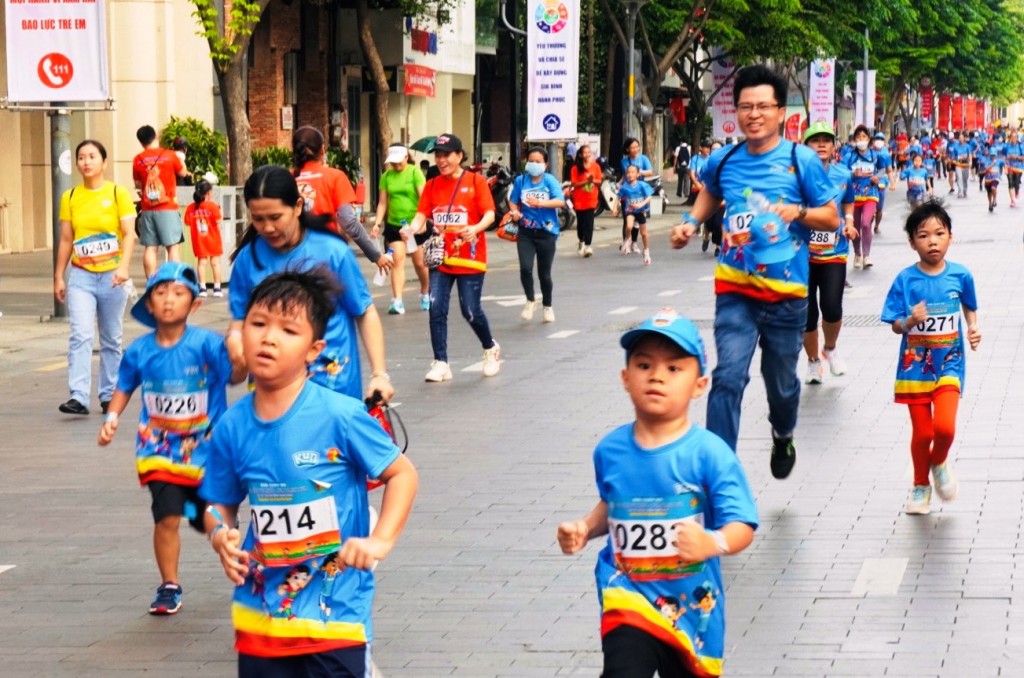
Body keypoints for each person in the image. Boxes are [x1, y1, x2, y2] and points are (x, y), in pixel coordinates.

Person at [201, 267, 418, 676]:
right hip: (260, 621)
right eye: (258, 324)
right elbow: (219, 501)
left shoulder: (341, 415)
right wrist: (219, 536)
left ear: (314, 350)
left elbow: (402, 474)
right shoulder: (232, 425)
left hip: (334, 617)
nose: (268, 337)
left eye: (288, 330)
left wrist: (380, 541)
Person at [556, 309, 757, 677]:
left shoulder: (710, 453)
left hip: (693, 609)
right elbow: (614, 504)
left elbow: (742, 524)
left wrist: (713, 543)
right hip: (627, 595)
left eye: (673, 368)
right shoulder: (610, 450)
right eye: (644, 365)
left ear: (699, 384)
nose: (656, 377)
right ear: (625, 378)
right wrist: (585, 527)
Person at [669, 64, 839, 478]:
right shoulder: (723, 158)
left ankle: (783, 433)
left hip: (786, 296)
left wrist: (798, 211)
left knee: (780, 384)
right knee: (727, 375)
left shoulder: (802, 161)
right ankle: (720, 470)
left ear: (781, 112)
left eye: (763, 106)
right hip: (735, 291)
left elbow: (831, 217)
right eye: (746, 106)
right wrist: (692, 222)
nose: (754, 114)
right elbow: (710, 189)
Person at [97, 262, 244, 615]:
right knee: (166, 516)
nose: (168, 300)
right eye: (160, 293)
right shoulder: (139, 350)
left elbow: (235, 377)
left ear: (194, 305)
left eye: (178, 293)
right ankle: (169, 585)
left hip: (208, 453)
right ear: (148, 304)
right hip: (159, 451)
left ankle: (228, 539)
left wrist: (240, 356)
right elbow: (125, 385)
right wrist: (112, 417)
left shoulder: (208, 344)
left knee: (201, 512)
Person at [227, 165, 393, 403]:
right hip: (272, 392)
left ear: (297, 207)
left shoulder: (333, 252)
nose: (267, 228)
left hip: (333, 387)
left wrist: (379, 374)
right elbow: (240, 317)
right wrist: (235, 338)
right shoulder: (247, 259)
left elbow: (364, 311)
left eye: (275, 217)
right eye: (258, 219)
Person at [880, 200, 980, 515]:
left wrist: (973, 328)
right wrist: (909, 321)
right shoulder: (905, 280)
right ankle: (920, 486)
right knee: (923, 432)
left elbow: (969, 306)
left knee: (945, 429)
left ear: (951, 236)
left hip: (949, 362)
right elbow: (895, 324)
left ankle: (938, 462)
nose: (932, 241)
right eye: (923, 235)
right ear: (912, 242)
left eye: (939, 233)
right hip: (914, 367)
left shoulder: (961, 275)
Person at [54, 140, 137, 415]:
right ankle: (78, 395)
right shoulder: (70, 197)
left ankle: (109, 394)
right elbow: (66, 239)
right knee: (80, 334)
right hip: (82, 276)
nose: (86, 161)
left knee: (112, 337)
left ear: (103, 161)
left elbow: (129, 234)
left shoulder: (117, 193)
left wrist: (123, 268)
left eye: (92, 156)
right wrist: (59, 276)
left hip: (113, 276)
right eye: (81, 157)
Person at [409, 133, 501, 382]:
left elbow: (490, 214)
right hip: (440, 256)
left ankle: (490, 347)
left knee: (470, 310)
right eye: (437, 155)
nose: (441, 160)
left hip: (470, 256)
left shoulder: (476, 181)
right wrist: (412, 228)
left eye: (446, 155)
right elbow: (421, 215)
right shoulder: (431, 185)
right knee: (436, 307)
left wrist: (476, 228)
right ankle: (441, 362)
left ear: (459, 156)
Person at [800, 123, 857, 385]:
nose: (821, 144)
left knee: (832, 307)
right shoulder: (795, 176)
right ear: (805, 146)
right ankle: (813, 361)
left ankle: (830, 348)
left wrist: (848, 220)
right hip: (801, 253)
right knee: (807, 312)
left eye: (826, 140)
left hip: (834, 251)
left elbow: (848, 200)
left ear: (834, 147)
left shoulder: (843, 174)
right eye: (815, 140)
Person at [291, 126, 390, 273]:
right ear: (323, 150)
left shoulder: (287, 178)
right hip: (326, 256)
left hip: (291, 258)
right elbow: (349, 222)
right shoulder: (334, 177)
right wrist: (375, 254)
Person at [509, 146, 565, 322]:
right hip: (526, 232)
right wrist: (515, 213)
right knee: (525, 268)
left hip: (547, 232)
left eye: (538, 161)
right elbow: (512, 201)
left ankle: (547, 306)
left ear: (545, 164)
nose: (533, 164)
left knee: (544, 274)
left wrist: (540, 202)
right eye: (530, 161)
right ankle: (530, 300)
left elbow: (560, 202)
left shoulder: (549, 181)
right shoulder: (521, 180)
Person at [372, 143, 428, 315]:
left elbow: (424, 198)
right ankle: (397, 301)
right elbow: (383, 202)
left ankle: (425, 292)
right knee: (397, 260)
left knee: (419, 263)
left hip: (414, 225)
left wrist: (423, 220)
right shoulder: (387, 176)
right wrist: (377, 223)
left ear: (406, 157)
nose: (396, 166)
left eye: (399, 162)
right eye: (393, 162)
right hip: (395, 225)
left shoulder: (414, 172)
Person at [133, 125, 189, 278]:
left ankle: (151, 281)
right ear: (156, 136)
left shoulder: (138, 159)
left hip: (147, 209)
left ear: (141, 141)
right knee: (172, 247)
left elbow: (138, 184)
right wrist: (182, 159)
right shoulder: (170, 155)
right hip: (168, 207)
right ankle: (172, 280)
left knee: (150, 247)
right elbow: (183, 173)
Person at [843, 125, 889, 269]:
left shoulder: (876, 155)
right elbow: (841, 172)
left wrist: (877, 177)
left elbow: (883, 169)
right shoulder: (849, 156)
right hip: (853, 196)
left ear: (868, 139)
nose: (861, 140)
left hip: (871, 194)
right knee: (856, 226)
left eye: (863, 137)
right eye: (858, 137)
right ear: (854, 140)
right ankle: (857, 254)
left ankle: (867, 256)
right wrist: (852, 174)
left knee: (865, 223)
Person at [183, 179, 224, 297]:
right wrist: (220, 211)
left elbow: (187, 222)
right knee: (215, 263)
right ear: (209, 193)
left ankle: (202, 288)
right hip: (213, 239)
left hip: (199, 241)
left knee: (202, 263)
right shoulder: (213, 206)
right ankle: (217, 288)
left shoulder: (191, 207)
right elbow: (218, 220)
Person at [619, 137, 654, 253]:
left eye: (636, 147)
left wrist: (639, 172)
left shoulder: (643, 158)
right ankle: (626, 242)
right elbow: (626, 175)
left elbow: (650, 171)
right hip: (627, 193)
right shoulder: (624, 161)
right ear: (627, 149)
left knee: (637, 220)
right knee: (627, 219)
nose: (634, 149)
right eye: (632, 147)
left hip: (640, 192)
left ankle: (634, 242)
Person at [616, 164, 655, 264]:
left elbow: (649, 197)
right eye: (628, 172)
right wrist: (614, 209)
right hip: (630, 210)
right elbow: (618, 197)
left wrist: (641, 204)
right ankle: (627, 241)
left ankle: (646, 250)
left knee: (644, 234)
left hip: (641, 211)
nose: (630, 174)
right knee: (628, 226)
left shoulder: (642, 185)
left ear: (638, 174)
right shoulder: (624, 187)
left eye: (632, 172)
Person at [570, 144, 602, 258]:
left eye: (589, 152)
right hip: (579, 199)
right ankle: (581, 241)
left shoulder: (596, 166)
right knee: (581, 224)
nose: (587, 154)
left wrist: (593, 181)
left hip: (591, 198)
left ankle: (588, 246)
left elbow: (599, 181)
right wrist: (586, 182)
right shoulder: (575, 168)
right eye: (585, 152)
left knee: (589, 223)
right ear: (580, 154)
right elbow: (574, 184)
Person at [947, 131, 972, 199]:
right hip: (958, 164)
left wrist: (970, 162)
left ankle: (965, 190)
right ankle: (960, 191)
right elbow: (953, 156)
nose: (960, 139)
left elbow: (969, 154)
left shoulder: (967, 146)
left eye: (962, 138)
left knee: (965, 178)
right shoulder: (956, 147)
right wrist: (950, 162)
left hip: (965, 164)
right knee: (959, 177)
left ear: (964, 138)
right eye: (959, 138)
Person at [978, 147, 1004, 212]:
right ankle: (990, 203)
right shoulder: (987, 160)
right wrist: (992, 164)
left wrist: (1006, 169)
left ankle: (994, 200)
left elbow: (1004, 164)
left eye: (994, 155)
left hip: (995, 178)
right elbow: (986, 169)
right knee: (989, 192)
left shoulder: (999, 160)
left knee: (993, 188)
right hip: (988, 178)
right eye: (992, 155)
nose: (993, 157)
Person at [1003, 128, 1024, 207]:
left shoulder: (1020, 146)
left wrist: (1017, 157)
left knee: (1016, 182)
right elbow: (1003, 156)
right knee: (1010, 182)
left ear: (1017, 138)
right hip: (1009, 166)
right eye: (1012, 137)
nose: (1014, 138)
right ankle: (1012, 200)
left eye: (1015, 137)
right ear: (1010, 138)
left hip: (1018, 167)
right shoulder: (1006, 146)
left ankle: (1017, 190)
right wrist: (1005, 165)